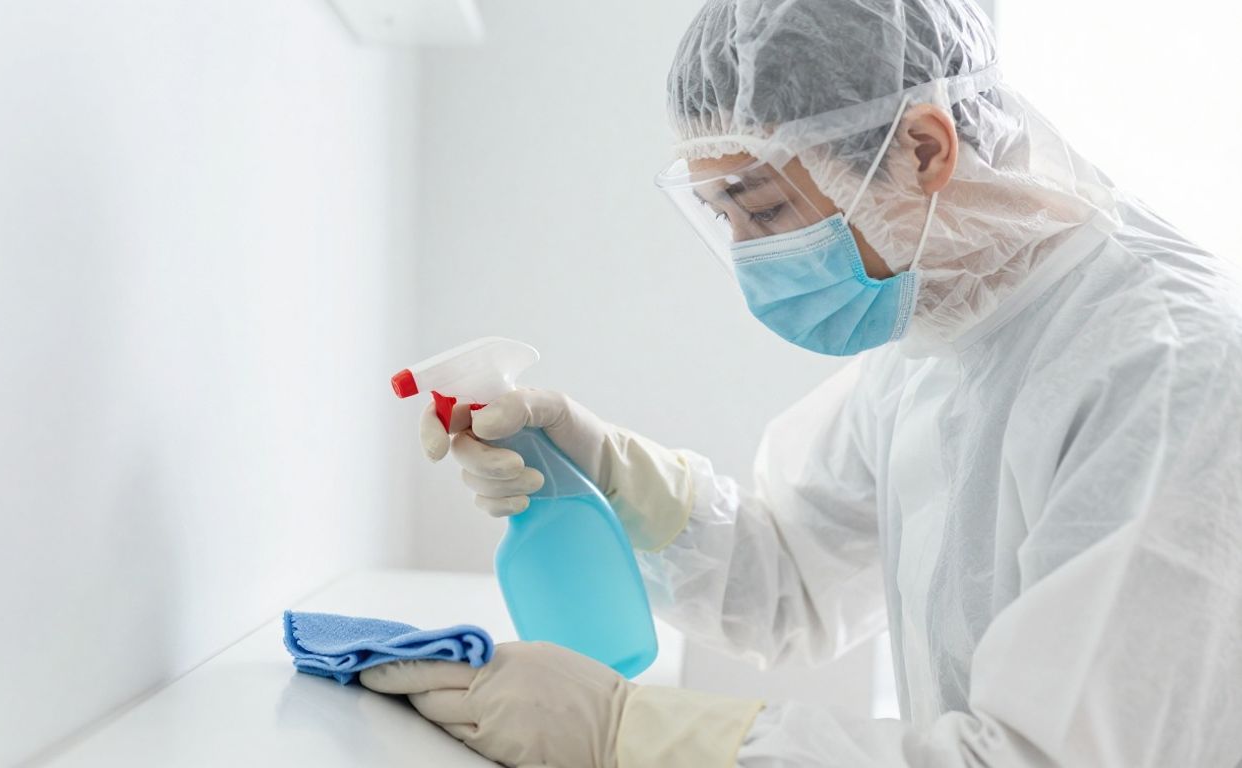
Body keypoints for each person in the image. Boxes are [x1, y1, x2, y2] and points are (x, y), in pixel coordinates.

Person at [360, 0, 1242, 765]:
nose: (752, 259)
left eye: (767, 208)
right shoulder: (941, 326)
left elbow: (1054, 758)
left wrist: (632, 735)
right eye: (724, 217)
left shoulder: (1163, 370)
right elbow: (794, 583)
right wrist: (612, 479)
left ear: (924, 148)